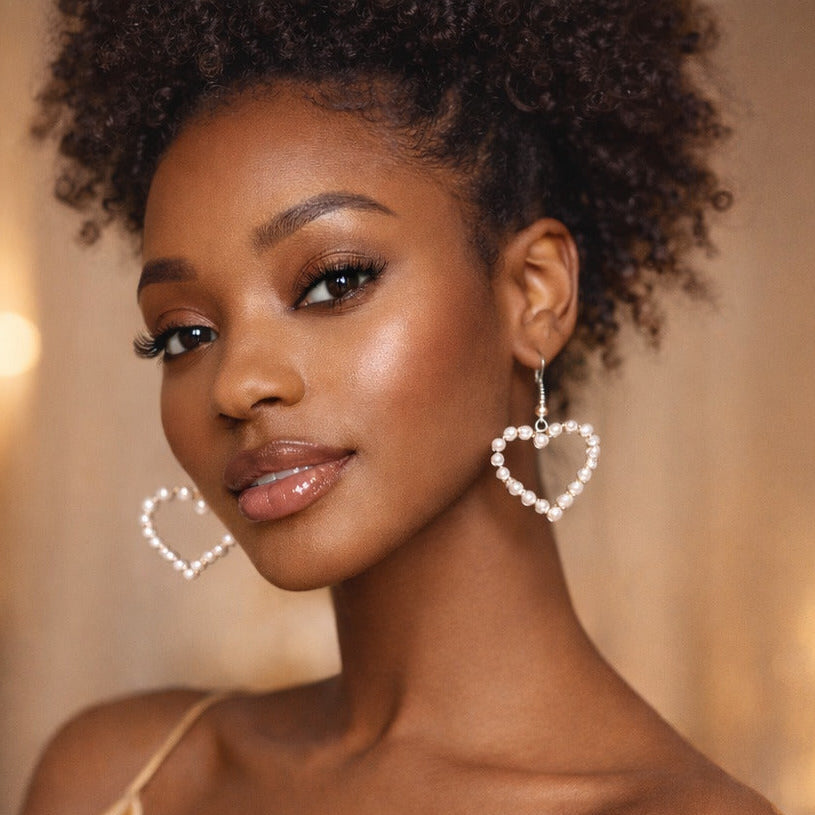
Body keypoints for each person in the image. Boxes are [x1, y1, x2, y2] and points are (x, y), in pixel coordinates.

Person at [21, 1, 780, 813]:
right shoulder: (121, 773)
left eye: (333, 282)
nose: (236, 383)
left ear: (533, 294)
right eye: (184, 334)